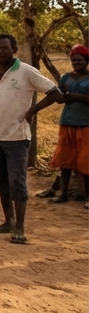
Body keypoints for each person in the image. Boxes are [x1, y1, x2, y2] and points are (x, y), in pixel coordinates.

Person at [0, 34, 60, 244]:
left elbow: (55, 93)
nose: (0, 52)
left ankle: (20, 227)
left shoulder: (26, 71)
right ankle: (8, 221)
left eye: (4, 48)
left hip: (17, 137)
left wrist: (32, 111)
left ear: (14, 49)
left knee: (17, 181)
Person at [46, 45, 89, 204]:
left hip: (86, 124)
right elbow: (59, 96)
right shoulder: (66, 77)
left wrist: (74, 96)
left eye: (80, 60)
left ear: (86, 61)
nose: (76, 63)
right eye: (74, 60)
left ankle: (86, 196)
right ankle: (63, 194)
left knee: (86, 161)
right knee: (65, 160)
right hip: (67, 122)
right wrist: (64, 97)